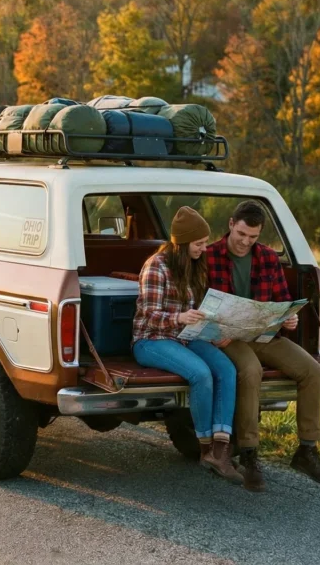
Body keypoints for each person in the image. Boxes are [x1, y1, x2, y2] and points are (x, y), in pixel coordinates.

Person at [205, 200, 320, 492]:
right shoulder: (208, 256)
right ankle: (250, 453)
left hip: (263, 334)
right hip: (225, 337)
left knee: (311, 370)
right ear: (231, 225)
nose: (245, 242)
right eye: (241, 234)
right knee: (251, 371)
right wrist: (214, 332)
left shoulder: (266, 257)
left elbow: (281, 300)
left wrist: (287, 318)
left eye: (253, 237)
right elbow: (197, 304)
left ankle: (307, 450)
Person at [132, 206, 242, 483]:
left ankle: (221, 449)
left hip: (187, 336)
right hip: (151, 339)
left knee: (227, 370)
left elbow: (198, 311)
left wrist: (212, 329)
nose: (204, 249)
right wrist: (179, 317)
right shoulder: (155, 266)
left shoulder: (194, 265)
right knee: (200, 374)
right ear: (181, 243)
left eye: (205, 243)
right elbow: (149, 314)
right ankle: (205, 448)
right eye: (199, 243)